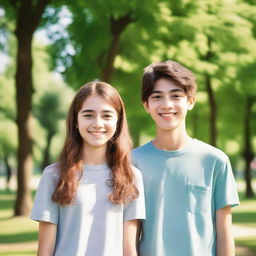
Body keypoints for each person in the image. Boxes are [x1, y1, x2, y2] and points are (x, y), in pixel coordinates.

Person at [132, 60, 239, 256]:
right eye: (157, 97)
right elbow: (130, 235)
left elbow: (224, 234)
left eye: (176, 96)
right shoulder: (131, 163)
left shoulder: (215, 160)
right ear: (146, 105)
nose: (167, 105)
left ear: (190, 101)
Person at [31, 81, 145, 256]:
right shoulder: (54, 175)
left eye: (107, 115)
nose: (98, 123)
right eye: (88, 115)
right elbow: (45, 251)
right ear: (76, 121)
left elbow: (129, 249)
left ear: (118, 122)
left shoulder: (131, 176)